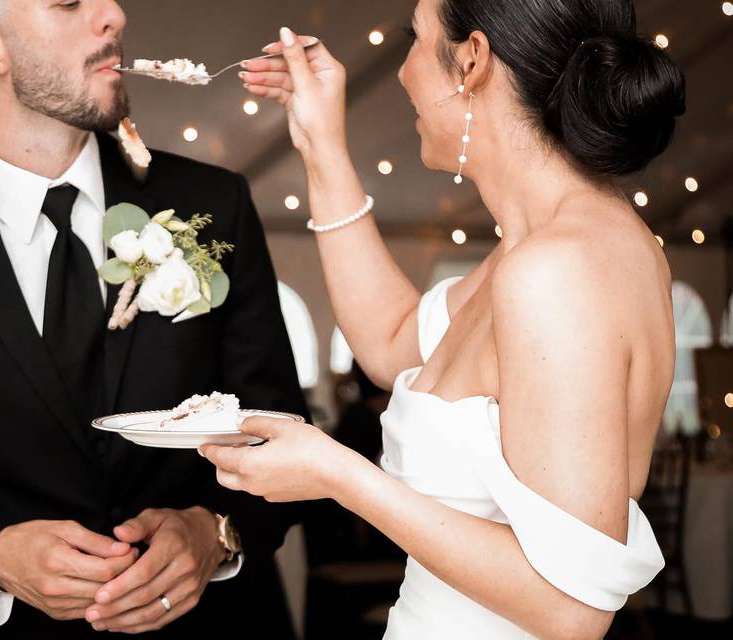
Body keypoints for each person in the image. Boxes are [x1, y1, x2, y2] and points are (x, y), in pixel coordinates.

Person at [0, 1, 308, 638]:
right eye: (69, 2)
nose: (115, 14)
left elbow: (286, 434)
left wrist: (215, 532)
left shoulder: (213, 203)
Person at [202, 1, 684, 637]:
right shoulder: (540, 248)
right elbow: (394, 339)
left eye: (415, 38)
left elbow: (572, 608)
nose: (401, 72)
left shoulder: (558, 270)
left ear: (472, 61)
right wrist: (321, 142)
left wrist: (338, 474)